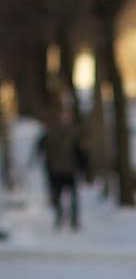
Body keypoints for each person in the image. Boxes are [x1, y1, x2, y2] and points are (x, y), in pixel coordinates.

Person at [41, 94, 83, 230]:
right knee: (59, 196)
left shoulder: (73, 132)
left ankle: (73, 220)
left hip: (69, 169)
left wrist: (81, 165)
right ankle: (60, 218)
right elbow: (46, 149)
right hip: (58, 169)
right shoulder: (52, 132)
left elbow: (80, 150)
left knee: (73, 197)